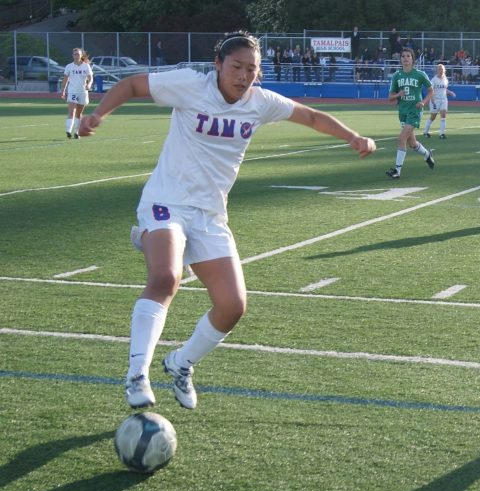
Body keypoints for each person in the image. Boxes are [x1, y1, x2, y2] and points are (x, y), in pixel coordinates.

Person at [78, 31, 376, 410]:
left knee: (232, 306)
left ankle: (181, 364)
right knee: (166, 278)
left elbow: (310, 116)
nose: (243, 76)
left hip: (210, 215)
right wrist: (99, 113)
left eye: (252, 69)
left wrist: (353, 137)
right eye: (236, 66)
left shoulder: (260, 102)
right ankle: (137, 373)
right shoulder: (190, 84)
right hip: (166, 200)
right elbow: (134, 84)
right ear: (218, 64)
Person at [385, 48, 435, 179]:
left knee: (401, 139)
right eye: (403, 56)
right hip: (403, 111)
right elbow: (390, 97)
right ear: (400, 59)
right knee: (412, 143)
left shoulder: (420, 74)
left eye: (408, 56)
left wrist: (423, 102)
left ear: (413, 59)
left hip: (415, 110)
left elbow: (431, 91)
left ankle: (397, 171)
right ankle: (427, 155)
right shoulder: (397, 76)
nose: (405, 58)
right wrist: (398, 94)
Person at [60, 47, 93, 139]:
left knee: (79, 113)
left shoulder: (86, 66)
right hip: (72, 91)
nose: (76, 55)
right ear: (72, 55)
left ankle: (76, 132)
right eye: (75, 54)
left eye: (78, 54)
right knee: (72, 111)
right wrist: (63, 91)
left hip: (82, 92)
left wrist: (89, 84)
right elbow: (65, 79)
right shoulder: (69, 66)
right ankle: (68, 130)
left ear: (81, 55)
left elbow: (90, 78)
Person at [422, 63, 455, 139]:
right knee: (433, 117)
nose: (441, 71)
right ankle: (425, 132)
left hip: (443, 100)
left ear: (444, 70)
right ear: (437, 70)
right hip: (435, 100)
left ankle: (442, 134)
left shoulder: (445, 79)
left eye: (442, 69)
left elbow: (444, 89)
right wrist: (432, 101)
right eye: (439, 69)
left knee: (443, 116)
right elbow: (431, 91)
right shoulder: (433, 80)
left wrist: (450, 92)